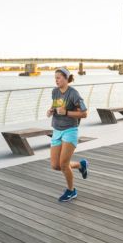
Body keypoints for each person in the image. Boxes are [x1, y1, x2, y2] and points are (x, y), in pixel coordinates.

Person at [46, 67, 89, 202]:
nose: (56, 80)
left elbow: (84, 113)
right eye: (55, 78)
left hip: (70, 130)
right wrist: (50, 111)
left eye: (58, 77)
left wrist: (66, 113)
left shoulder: (73, 93)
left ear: (66, 78)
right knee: (55, 165)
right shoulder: (54, 92)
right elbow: (56, 106)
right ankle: (80, 165)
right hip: (57, 130)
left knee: (64, 164)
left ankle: (71, 191)